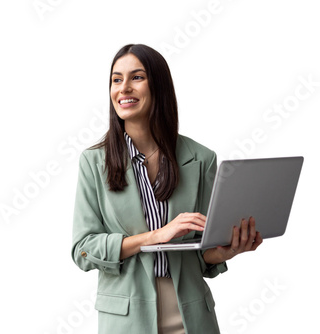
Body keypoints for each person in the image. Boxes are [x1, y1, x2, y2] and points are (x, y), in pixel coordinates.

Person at [71, 44, 263, 334]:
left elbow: (201, 251)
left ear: (158, 86)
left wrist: (225, 251)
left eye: (136, 77)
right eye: (116, 79)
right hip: (127, 320)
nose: (123, 88)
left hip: (192, 316)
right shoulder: (93, 161)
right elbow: (83, 250)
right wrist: (154, 237)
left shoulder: (201, 158)